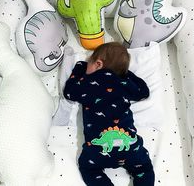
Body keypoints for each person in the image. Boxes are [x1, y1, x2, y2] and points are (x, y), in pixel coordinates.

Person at [63, 42, 155, 186]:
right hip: (130, 146)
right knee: (144, 169)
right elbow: (143, 92)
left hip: (97, 151)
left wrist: (79, 68)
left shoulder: (87, 82)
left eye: (89, 63)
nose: (86, 65)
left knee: (88, 169)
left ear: (98, 64)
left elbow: (69, 92)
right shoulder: (124, 83)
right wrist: (124, 73)